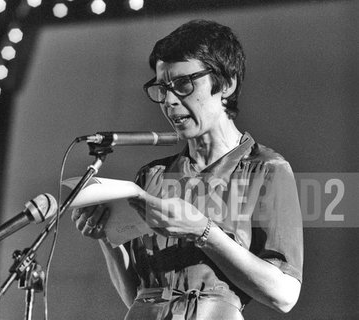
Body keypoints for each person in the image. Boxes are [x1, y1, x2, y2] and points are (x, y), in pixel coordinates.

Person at [72, 19, 303, 319]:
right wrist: (106, 238)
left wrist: (202, 231)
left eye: (183, 85)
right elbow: (139, 296)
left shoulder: (266, 170)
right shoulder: (152, 176)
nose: (169, 101)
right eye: (162, 88)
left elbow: (284, 295)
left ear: (227, 84)